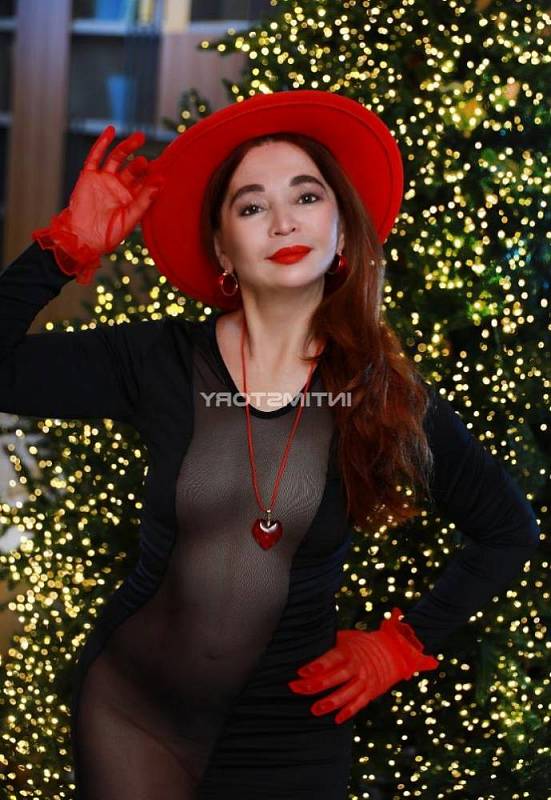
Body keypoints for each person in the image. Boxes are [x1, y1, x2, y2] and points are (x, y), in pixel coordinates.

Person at [0, 90, 540, 799]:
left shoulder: (382, 394)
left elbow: (507, 528)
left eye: (306, 197)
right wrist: (64, 248)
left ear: (342, 235)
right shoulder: (158, 360)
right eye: (251, 206)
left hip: (289, 732)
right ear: (223, 249)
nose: (283, 220)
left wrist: (402, 644)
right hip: (134, 713)